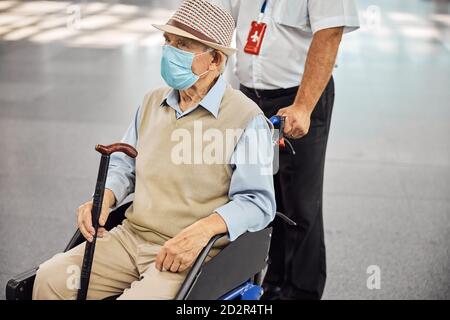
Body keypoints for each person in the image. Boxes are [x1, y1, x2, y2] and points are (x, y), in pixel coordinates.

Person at [32, 0, 275, 300]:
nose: (169, 51)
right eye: (167, 41)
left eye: (182, 44)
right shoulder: (151, 102)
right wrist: (105, 196)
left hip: (187, 253)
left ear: (215, 61)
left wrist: (202, 232)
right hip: (130, 238)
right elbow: (124, 165)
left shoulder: (246, 118)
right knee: (50, 280)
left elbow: (258, 202)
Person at [210, 0, 360, 299]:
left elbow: (330, 33)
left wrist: (304, 106)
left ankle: (302, 290)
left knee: (300, 202)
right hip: (249, 97)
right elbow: (215, 18)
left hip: (299, 96)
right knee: (263, 194)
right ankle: (273, 281)